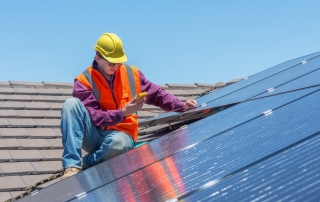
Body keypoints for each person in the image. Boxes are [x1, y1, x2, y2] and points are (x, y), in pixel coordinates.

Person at [60, 33, 197, 180]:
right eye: (111, 63)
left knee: (118, 145)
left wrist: (181, 106)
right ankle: (72, 165)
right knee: (71, 104)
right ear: (97, 58)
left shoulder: (131, 74)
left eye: (118, 62)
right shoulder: (84, 81)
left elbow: (157, 94)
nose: (116, 66)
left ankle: (88, 161)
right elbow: (96, 117)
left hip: (121, 137)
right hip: (93, 135)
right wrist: (123, 113)